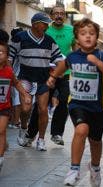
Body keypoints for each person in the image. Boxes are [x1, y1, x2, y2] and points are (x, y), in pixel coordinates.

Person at [46, 18, 103, 186]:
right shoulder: (72, 56)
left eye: (91, 34)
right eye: (83, 33)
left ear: (96, 37)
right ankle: (74, 169)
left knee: (95, 141)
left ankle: (95, 167)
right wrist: (53, 77)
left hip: (99, 106)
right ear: (77, 37)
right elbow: (63, 66)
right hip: (77, 103)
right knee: (81, 130)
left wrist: (98, 63)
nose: (88, 36)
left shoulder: (101, 56)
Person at [9, 12, 64, 151]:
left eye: (47, 23)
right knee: (26, 107)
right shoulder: (19, 38)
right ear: (35, 24)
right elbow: (9, 58)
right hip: (25, 79)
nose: (46, 26)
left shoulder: (50, 41)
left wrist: (57, 74)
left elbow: (59, 60)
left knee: (43, 110)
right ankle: (23, 128)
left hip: (43, 81)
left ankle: (41, 140)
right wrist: (12, 78)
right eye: (44, 23)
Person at [26, 5, 75, 146]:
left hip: (64, 73)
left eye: (62, 14)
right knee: (41, 105)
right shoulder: (46, 29)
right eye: (56, 13)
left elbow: (75, 48)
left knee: (64, 100)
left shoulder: (71, 30)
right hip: (46, 73)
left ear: (65, 16)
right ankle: (30, 135)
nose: (59, 16)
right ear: (51, 16)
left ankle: (56, 133)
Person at [0, 39, 31, 172]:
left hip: (4, 108)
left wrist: (25, 95)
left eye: (1, 52)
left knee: (1, 131)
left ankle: (0, 157)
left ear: (7, 56)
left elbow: (17, 84)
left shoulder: (8, 71)